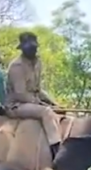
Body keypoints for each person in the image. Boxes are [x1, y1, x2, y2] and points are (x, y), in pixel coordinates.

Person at [5, 31, 62, 159]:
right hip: (17, 105)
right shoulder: (16, 66)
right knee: (46, 112)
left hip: (33, 101)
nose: (33, 50)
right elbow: (20, 94)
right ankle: (56, 148)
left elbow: (38, 89)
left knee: (59, 110)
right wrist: (41, 104)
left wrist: (54, 103)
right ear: (23, 49)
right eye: (30, 48)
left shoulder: (38, 63)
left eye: (34, 47)